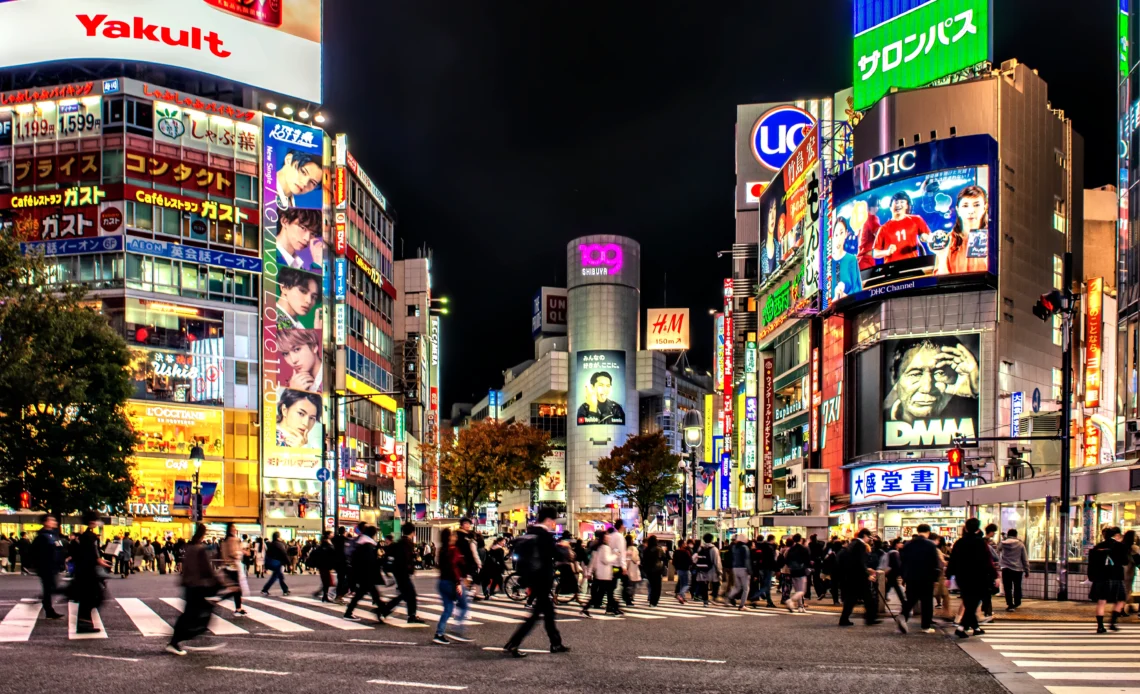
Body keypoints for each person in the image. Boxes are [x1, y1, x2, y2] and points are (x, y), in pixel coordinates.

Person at [503, 507, 568, 657]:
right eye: (554, 521)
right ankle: (514, 642)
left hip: (532, 577)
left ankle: (556, 643)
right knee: (536, 615)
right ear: (548, 520)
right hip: (542, 578)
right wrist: (564, 549)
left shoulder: (530, 532)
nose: (554, 524)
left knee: (548, 612)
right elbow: (556, 554)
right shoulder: (544, 535)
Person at [884, 337, 980, 427]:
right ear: (894, 377)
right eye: (915, 374)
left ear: (958, 376)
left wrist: (977, 392)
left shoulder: (976, 418)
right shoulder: (875, 426)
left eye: (940, 373)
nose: (927, 388)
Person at [167, 524, 221, 656]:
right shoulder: (200, 549)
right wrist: (218, 582)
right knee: (201, 614)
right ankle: (177, 640)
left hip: (189, 585)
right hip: (199, 586)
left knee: (188, 613)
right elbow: (207, 569)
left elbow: (186, 568)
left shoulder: (189, 547)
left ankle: (175, 640)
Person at [946, 518, 997, 639]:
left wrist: (949, 576)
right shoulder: (980, 543)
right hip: (978, 577)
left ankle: (975, 628)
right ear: (978, 529)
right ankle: (961, 627)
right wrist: (995, 575)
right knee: (973, 603)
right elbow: (987, 561)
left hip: (962, 577)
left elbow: (953, 560)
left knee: (969, 602)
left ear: (966, 528)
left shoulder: (959, 542)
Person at [896, 524, 941, 634]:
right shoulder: (930, 545)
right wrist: (935, 578)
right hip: (926, 576)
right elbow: (934, 562)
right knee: (926, 601)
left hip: (911, 576)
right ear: (928, 532)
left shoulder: (908, 544)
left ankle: (903, 615)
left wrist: (904, 576)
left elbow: (903, 560)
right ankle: (925, 626)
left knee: (912, 598)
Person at [71, 511, 110, 634]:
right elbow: (92, 554)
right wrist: (99, 561)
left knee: (88, 597)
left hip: (84, 571)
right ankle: (84, 624)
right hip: (88, 572)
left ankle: (84, 623)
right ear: (92, 522)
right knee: (94, 597)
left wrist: (99, 560)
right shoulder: (90, 537)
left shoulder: (85, 536)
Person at [433, 528, 473, 645]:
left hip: (442, 583)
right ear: (449, 538)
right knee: (464, 605)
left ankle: (439, 633)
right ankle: (457, 630)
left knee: (448, 609)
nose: (455, 537)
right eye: (453, 536)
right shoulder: (453, 550)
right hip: (453, 583)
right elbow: (454, 568)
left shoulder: (441, 550)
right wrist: (459, 583)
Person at [1088, 526, 1132, 633]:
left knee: (1101, 601)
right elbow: (1125, 561)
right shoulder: (1121, 547)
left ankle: (1100, 626)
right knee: (1121, 600)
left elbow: (1092, 563)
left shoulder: (1098, 547)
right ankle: (1113, 622)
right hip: (1116, 576)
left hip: (1101, 577)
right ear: (1116, 535)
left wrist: (1091, 577)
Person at [379, 523, 424, 624]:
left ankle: (385, 610)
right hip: (403, 573)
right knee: (410, 594)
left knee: (405, 594)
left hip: (398, 572)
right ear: (413, 532)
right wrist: (410, 569)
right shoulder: (406, 543)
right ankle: (410, 615)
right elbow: (406, 559)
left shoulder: (399, 542)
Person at [941, 185, 990, 275]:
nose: (971, 211)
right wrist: (941, 256)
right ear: (958, 209)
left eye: (976, 205)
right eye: (965, 205)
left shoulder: (993, 238)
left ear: (985, 207)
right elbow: (940, 280)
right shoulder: (948, 240)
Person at [872, 190, 931, 264]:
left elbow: (930, 238)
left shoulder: (917, 220)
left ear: (907, 205)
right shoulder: (883, 228)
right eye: (896, 202)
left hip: (913, 266)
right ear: (890, 207)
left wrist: (926, 237)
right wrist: (887, 252)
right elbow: (875, 253)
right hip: (892, 269)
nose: (898, 204)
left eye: (902, 202)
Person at [838, 528, 877, 626]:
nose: (869, 539)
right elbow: (859, 562)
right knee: (868, 598)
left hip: (851, 576)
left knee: (851, 598)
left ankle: (844, 619)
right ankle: (870, 618)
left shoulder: (852, 544)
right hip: (859, 577)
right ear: (864, 536)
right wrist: (867, 574)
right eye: (869, 537)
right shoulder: (860, 545)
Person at [344, 525, 382, 621]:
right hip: (366, 574)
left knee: (372, 593)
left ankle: (383, 610)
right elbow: (368, 561)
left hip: (361, 573)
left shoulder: (361, 542)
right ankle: (348, 612)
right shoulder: (367, 545)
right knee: (364, 594)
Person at [32, 514, 63, 620]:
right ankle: (48, 609)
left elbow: (59, 547)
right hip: (46, 566)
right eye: (51, 520)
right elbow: (36, 552)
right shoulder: (42, 536)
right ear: (45, 522)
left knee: (50, 588)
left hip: (53, 565)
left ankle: (48, 607)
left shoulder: (54, 535)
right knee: (50, 588)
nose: (54, 522)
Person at [999, 528, 1030, 612]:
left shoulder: (1003, 543)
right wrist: (1027, 570)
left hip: (1005, 568)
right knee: (1017, 587)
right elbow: (1024, 558)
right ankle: (1017, 602)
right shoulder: (1020, 544)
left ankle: (1010, 604)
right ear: (1016, 535)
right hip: (1017, 569)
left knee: (1007, 587)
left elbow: (998, 550)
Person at [220, 523, 248, 616]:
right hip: (234, 566)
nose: (235, 530)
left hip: (228, 565)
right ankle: (238, 608)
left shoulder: (225, 541)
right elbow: (234, 553)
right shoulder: (233, 540)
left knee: (233, 587)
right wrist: (240, 553)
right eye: (233, 528)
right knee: (236, 588)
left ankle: (238, 608)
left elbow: (224, 554)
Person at [831, 217, 862, 300]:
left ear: (846, 234)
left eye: (841, 233)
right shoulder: (828, 263)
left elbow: (857, 289)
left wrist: (845, 297)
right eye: (836, 234)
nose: (838, 237)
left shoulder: (851, 259)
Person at [784, 534, 811, 612]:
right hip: (801, 571)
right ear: (800, 540)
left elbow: (786, 560)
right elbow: (807, 560)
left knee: (797, 590)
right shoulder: (803, 549)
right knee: (802, 591)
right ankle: (790, 601)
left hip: (792, 571)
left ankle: (800, 606)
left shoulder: (791, 549)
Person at [694, 533, 721, 607]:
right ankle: (714, 597)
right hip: (711, 570)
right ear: (712, 540)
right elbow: (717, 561)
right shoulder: (714, 549)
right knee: (716, 583)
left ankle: (705, 601)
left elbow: (695, 558)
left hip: (702, 569)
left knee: (704, 586)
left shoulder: (700, 548)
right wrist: (719, 571)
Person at [260, 532, 291, 596]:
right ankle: (265, 589)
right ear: (278, 537)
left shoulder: (272, 544)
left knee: (279, 576)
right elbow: (284, 554)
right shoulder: (279, 544)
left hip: (269, 562)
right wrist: (289, 564)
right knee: (275, 577)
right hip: (276, 562)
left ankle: (285, 589)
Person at [725, 535, 750, 610]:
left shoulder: (734, 547)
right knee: (746, 588)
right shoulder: (745, 548)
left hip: (735, 568)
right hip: (743, 568)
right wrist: (750, 570)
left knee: (737, 587)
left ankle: (728, 597)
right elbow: (747, 560)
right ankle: (742, 605)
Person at [857, 196, 881, 270]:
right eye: (878, 205)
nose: (878, 208)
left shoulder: (863, 221)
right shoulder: (873, 218)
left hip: (860, 261)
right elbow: (880, 236)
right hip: (867, 261)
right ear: (874, 206)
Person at [642, 535, 666, 607]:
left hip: (648, 570)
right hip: (657, 570)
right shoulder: (658, 549)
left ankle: (651, 600)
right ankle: (654, 601)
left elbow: (644, 560)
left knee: (652, 586)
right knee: (657, 586)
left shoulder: (646, 550)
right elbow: (664, 558)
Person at [312, 531, 336, 602]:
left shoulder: (323, 543)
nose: (333, 535)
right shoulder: (326, 544)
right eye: (331, 534)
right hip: (324, 564)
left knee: (326, 581)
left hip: (323, 564)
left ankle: (324, 595)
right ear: (328, 535)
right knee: (326, 581)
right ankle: (324, 596)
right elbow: (329, 552)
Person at [622, 534, 641, 606]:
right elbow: (635, 558)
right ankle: (629, 598)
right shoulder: (633, 548)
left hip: (626, 567)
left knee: (627, 584)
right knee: (632, 585)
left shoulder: (624, 548)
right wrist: (638, 561)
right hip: (632, 567)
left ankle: (627, 597)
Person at [672, 539, 692, 604]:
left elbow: (673, 561)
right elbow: (690, 561)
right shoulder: (686, 552)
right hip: (685, 569)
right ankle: (681, 595)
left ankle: (682, 597)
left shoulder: (676, 552)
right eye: (684, 543)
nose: (685, 544)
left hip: (679, 570)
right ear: (682, 544)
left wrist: (676, 568)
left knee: (682, 584)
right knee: (687, 584)